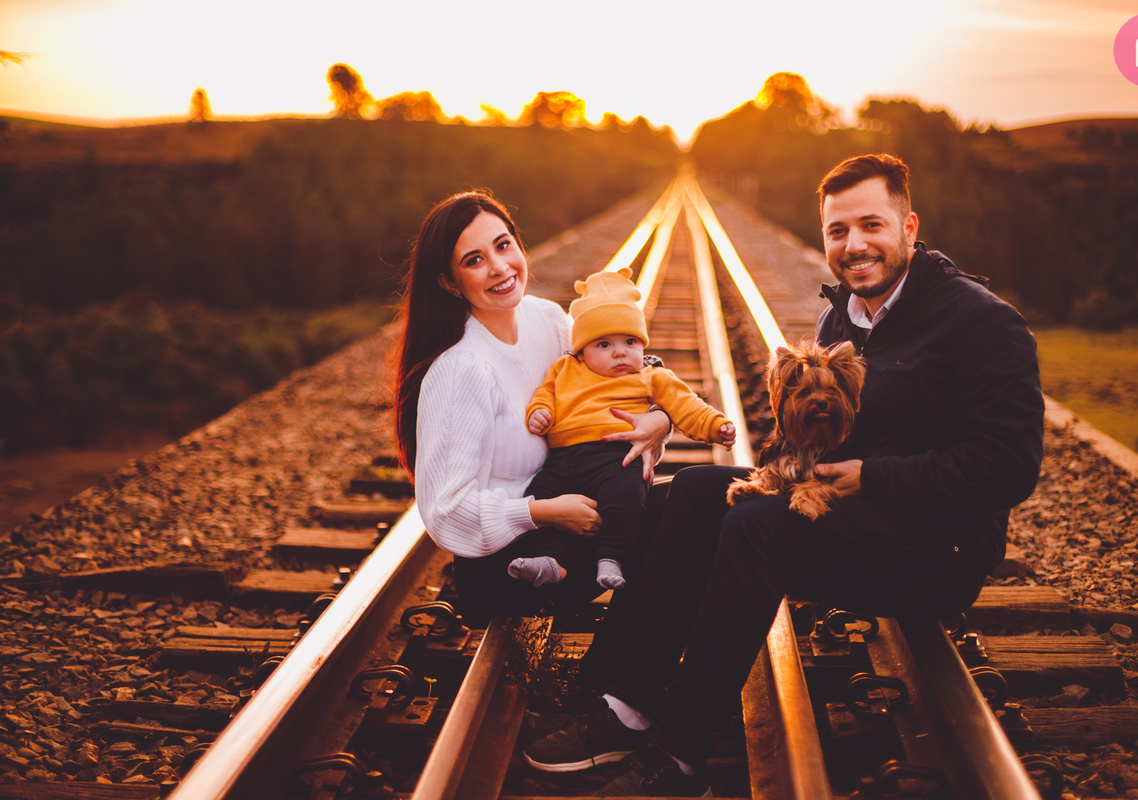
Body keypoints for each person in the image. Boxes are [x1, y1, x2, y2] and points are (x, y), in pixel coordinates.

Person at [522, 153, 1045, 797]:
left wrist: (872, 478)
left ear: (909, 227)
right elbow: (806, 431)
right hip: (844, 512)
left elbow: (1010, 467)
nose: (854, 245)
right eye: (837, 231)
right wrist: (660, 411)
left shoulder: (982, 322)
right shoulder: (843, 317)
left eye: (871, 225)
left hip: (932, 550)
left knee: (756, 526)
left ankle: (682, 749)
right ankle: (620, 699)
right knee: (694, 491)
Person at [392, 191, 673, 619]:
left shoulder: (549, 321)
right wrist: (543, 513)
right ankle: (620, 676)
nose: (500, 267)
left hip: (581, 522)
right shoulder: (460, 370)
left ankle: (623, 674)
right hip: (507, 565)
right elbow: (445, 513)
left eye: (503, 245)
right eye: (474, 260)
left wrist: (659, 420)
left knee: (705, 496)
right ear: (449, 282)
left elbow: (620, 386)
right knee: (696, 512)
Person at [512, 267, 737, 592]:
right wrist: (540, 411)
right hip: (562, 460)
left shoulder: (650, 376)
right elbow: (545, 392)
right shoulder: (565, 369)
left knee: (626, 499)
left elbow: (686, 404)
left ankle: (612, 558)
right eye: (603, 344)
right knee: (539, 497)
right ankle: (551, 561)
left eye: (630, 341)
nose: (620, 352)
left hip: (617, 457)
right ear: (581, 351)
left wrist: (717, 425)